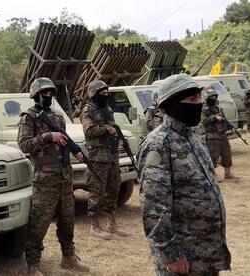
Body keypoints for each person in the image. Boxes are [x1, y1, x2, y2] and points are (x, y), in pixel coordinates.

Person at [137, 74, 231, 275]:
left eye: (199, 98)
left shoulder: (193, 137)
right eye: (191, 99)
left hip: (204, 252)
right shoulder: (159, 144)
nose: (198, 103)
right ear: (171, 104)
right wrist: (171, 254)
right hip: (182, 256)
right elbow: (154, 207)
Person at [17, 77, 90, 276]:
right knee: (39, 222)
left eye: (51, 93)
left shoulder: (57, 117)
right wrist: (48, 137)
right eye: (44, 93)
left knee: (68, 219)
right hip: (45, 178)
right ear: (36, 95)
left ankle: (69, 256)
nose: (48, 96)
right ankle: (33, 264)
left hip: (64, 176)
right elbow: (24, 144)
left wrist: (75, 151)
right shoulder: (28, 117)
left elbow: (64, 140)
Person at [80, 80, 128, 240]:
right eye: (102, 93)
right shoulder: (88, 110)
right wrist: (107, 129)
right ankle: (94, 226)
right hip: (98, 157)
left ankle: (112, 223)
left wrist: (118, 137)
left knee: (114, 188)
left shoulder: (107, 109)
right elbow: (89, 130)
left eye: (107, 92)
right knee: (97, 190)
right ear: (93, 94)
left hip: (112, 155)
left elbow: (113, 126)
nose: (106, 95)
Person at [201, 89, 238, 180]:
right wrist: (213, 118)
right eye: (211, 97)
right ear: (207, 98)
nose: (213, 98)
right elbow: (204, 121)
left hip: (222, 135)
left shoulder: (218, 108)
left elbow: (224, 119)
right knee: (213, 156)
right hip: (212, 136)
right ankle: (213, 175)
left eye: (215, 97)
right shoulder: (204, 109)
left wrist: (231, 127)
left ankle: (228, 173)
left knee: (227, 154)